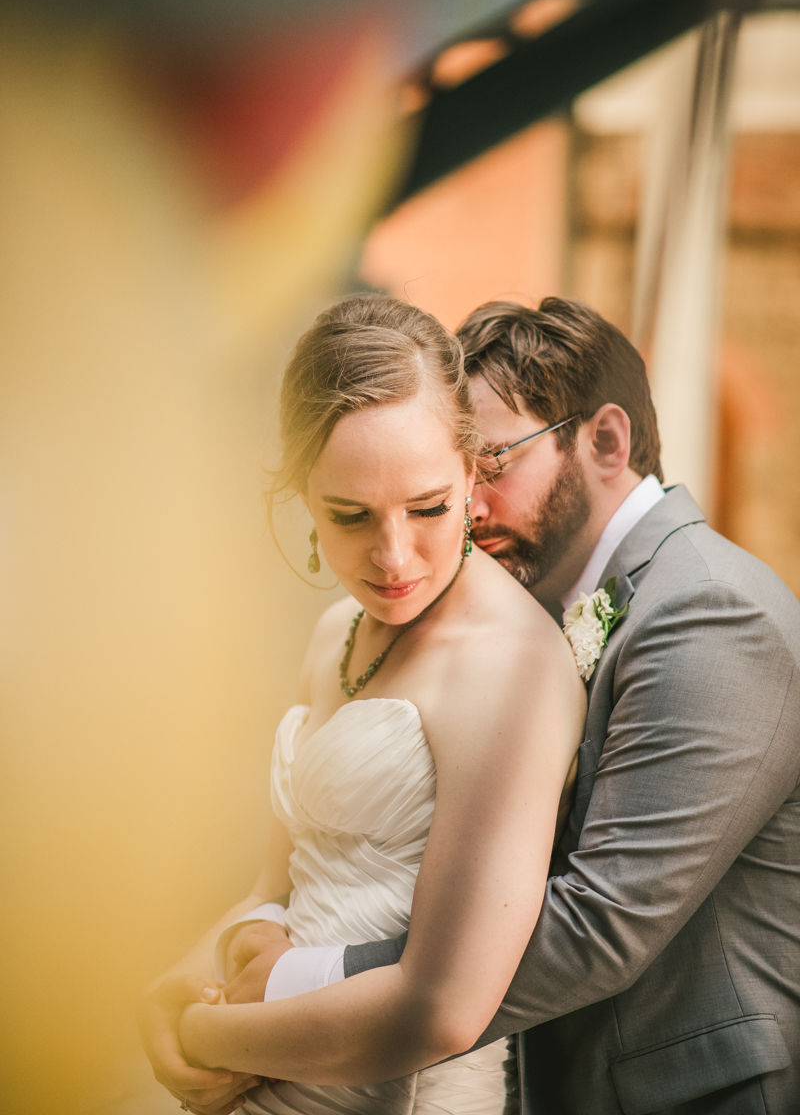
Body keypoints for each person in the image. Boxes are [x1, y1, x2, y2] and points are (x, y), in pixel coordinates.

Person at [145, 297, 800, 1115]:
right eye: (351, 512)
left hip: (683, 1091)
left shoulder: (707, 610)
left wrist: (288, 984)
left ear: (604, 439)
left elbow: (595, 923)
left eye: (493, 464)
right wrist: (207, 970)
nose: (474, 507)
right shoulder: (482, 603)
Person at [138, 294, 586, 1114]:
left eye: (427, 509)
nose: (392, 557)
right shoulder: (335, 632)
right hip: (265, 1057)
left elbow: (444, 1004)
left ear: (471, 474)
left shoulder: (513, 666)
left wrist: (207, 1039)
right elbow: (277, 884)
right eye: (349, 516)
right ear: (300, 492)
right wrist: (172, 990)